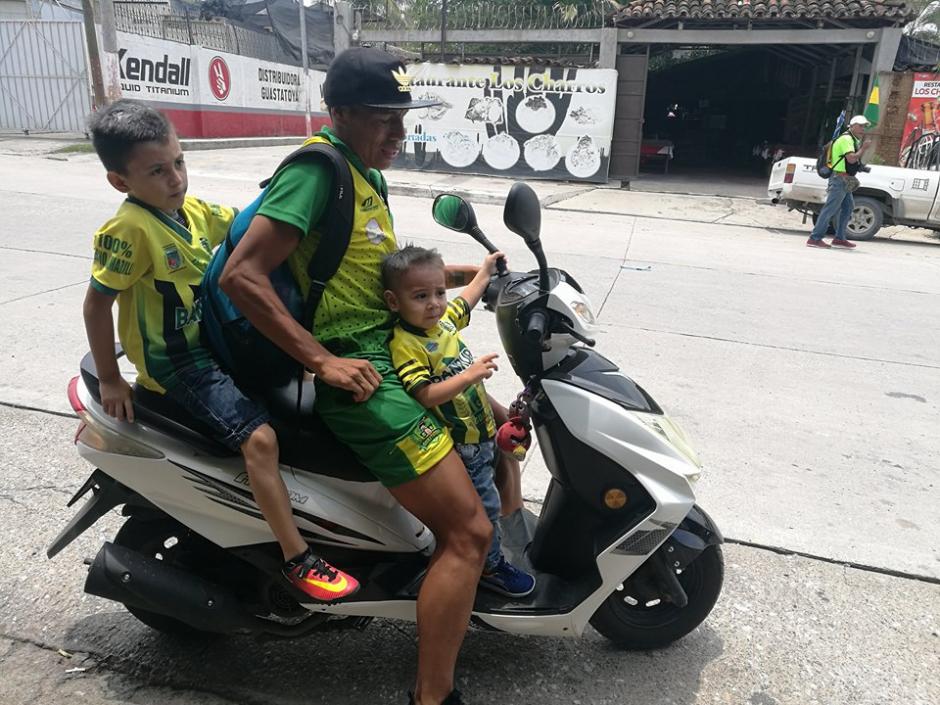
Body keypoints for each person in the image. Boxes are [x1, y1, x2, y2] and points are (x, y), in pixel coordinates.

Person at [219, 48, 492, 705]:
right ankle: (431, 697)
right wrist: (322, 360)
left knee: (490, 421)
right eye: (382, 118)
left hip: (390, 353)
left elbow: (375, 274)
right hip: (363, 378)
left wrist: (471, 272)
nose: (398, 132)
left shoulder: (368, 172)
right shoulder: (318, 171)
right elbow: (242, 275)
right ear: (338, 113)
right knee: (469, 533)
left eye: (402, 117)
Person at [81, 99, 359, 606]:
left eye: (179, 163)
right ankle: (298, 559)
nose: (175, 179)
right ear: (120, 182)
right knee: (261, 442)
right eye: (158, 171)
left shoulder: (188, 212)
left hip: (211, 340)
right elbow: (97, 305)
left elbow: (251, 229)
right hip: (179, 364)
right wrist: (111, 377)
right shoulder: (129, 231)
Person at [382, 245, 537, 598]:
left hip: (481, 438)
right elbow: (425, 395)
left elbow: (465, 299)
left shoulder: (443, 323)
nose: (434, 303)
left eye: (439, 292)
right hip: (462, 448)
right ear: (394, 301)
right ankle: (491, 568)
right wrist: (469, 376)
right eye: (420, 296)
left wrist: (485, 270)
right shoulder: (408, 343)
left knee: (497, 488)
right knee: (485, 509)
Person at [807, 114, 871, 249]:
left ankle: (840, 238)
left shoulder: (851, 139)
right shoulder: (847, 139)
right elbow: (851, 159)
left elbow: (852, 162)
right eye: (859, 126)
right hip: (839, 179)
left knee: (848, 207)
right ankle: (815, 238)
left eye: (864, 127)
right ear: (852, 126)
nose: (862, 129)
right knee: (830, 209)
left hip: (844, 179)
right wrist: (864, 149)